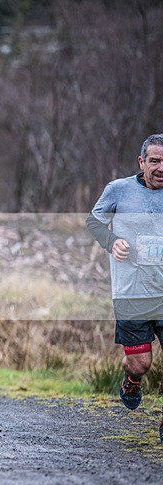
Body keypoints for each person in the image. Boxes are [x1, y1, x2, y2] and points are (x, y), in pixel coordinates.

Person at [86, 133, 163, 412]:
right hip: (132, 292)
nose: (161, 168)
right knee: (141, 363)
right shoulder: (119, 190)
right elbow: (94, 222)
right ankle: (132, 378)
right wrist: (111, 242)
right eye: (155, 161)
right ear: (142, 162)